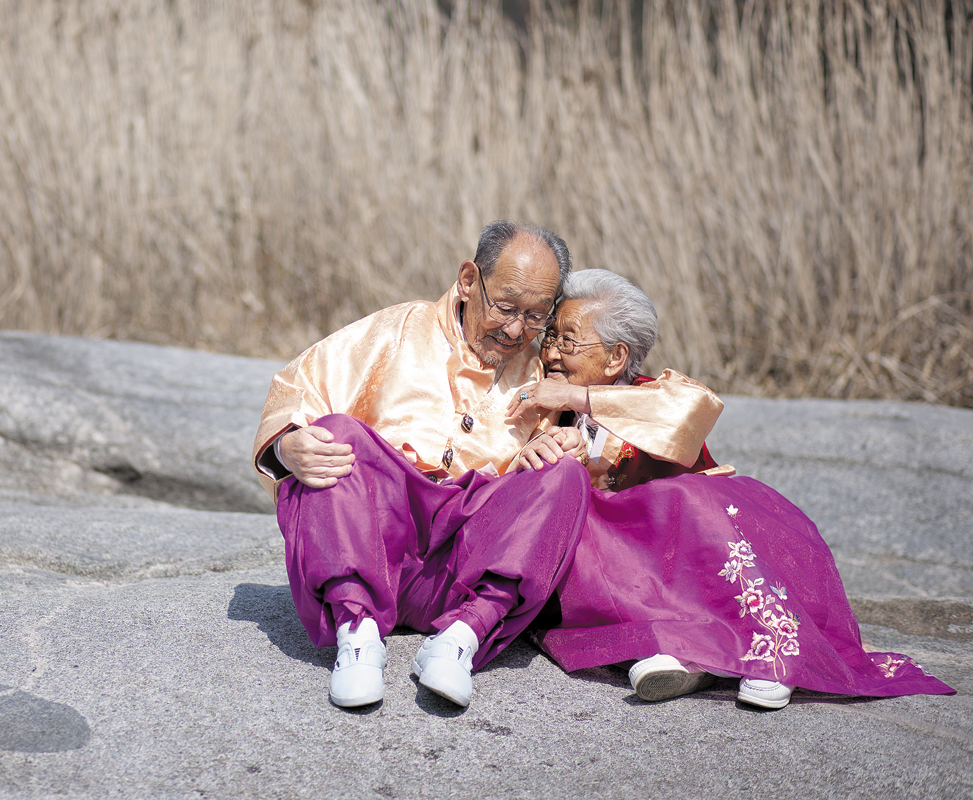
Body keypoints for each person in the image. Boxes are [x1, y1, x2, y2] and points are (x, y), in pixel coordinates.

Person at [507, 268, 954, 708]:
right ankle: (688, 657)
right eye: (550, 338)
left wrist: (578, 401)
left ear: (615, 358)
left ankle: (769, 652)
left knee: (686, 499)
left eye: (567, 341)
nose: (550, 354)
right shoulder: (544, 408)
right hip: (620, 570)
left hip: (685, 553)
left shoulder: (650, 396)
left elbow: (694, 408)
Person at [252, 220, 590, 709]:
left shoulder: (542, 378)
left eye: (537, 317)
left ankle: (459, 640)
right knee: (335, 434)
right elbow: (295, 389)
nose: (517, 330)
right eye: (506, 307)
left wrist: (547, 453)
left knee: (565, 475)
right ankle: (358, 633)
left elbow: (535, 501)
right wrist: (287, 447)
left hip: (461, 576)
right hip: (373, 549)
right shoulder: (398, 330)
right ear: (470, 279)